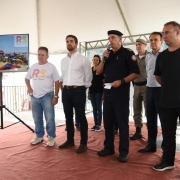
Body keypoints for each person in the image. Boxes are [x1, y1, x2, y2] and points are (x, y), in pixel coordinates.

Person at [96, 30, 140, 162]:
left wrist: (121, 81)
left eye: (113, 37)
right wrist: (103, 59)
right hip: (108, 94)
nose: (110, 40)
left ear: (120, 39)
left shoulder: (128, 53)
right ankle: (109, 148)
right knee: (108, 122)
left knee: (122, 123)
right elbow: (98, 71)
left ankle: (124, 151)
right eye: (109, 38)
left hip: (121, 94)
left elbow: (136, 73)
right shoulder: (107, 55)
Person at [153, 21, 180, 171]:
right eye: (163, 33)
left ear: (177, 32)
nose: (164, 36)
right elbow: (158, 77)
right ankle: (168, 161)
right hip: (167, 101)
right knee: (168, 134)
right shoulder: (162, 56)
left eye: (167, 32)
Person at [58, 35, 92, 153]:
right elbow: (62, 77)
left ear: (76, 44)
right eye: (67, 41)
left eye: (71, 41)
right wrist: (63, 90)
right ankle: (70, 140)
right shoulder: (63, 61)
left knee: (81, 117)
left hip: (79, 90)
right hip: (66, 91)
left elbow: (89, 77)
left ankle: (83, 143)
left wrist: (83, 89)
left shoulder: (83, 59)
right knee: (68, 117)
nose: (69, 43)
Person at [25, 46, 60, 146]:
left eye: (42, 55)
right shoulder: (33, 66)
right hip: (34, 96)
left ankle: (51, 137)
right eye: (39, 54)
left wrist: (56, 96)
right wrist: (29, 88)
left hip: (47, 95)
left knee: (49, 118)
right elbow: (27, 78)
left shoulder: (51, 66)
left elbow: (57, 81)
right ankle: (39, 136)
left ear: (47, 56)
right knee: (37, 118)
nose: (40, 56)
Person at [138, 32, 164, 153]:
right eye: (151, 40)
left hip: (161, 90)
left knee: (164, 119)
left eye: (155, 40)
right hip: (149, 89)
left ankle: (166, 147)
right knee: (150, 119)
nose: (153, 42)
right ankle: (151, 144)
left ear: (161, 41)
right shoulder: (148, 57)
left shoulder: (165, 55)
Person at [130, 39, 148, 140]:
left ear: (145, 45)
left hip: (146, 86)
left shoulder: (150, 56)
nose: (138, 46)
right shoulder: (133, 58)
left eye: (140, 44)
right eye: (136, 45)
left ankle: (151, 133)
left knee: (148, 110)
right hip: (136, 86)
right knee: (136, 109)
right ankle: (138, 131)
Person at [88, 54, 104, 132]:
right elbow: (89, 82)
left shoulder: (101, 70)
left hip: (99, 92)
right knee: (94, 109)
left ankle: (99, 125)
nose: (95, 61)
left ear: (99, 61)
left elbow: (103, 82)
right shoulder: (90, 70)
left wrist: (104, 93)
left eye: (97, 60)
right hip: (92, 92)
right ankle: (95, 124)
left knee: (99, 108)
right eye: (94, 59)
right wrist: (88, 93)